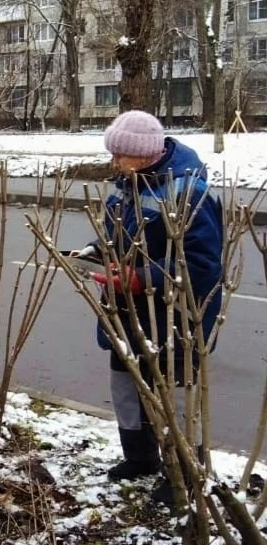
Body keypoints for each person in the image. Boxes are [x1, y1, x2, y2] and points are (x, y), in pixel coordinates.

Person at [70, 111, 223, 501]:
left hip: (173, 318)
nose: (113, 162)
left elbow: (203, 267)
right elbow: (115, 239)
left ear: (143, 153)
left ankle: (186, 472)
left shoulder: (191, 193)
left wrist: (141, 279)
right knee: (125, 386)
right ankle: (140, 457)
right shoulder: (125, 186)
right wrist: (95, 251)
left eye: (120, 154)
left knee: (175, 396)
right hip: (126, 314)